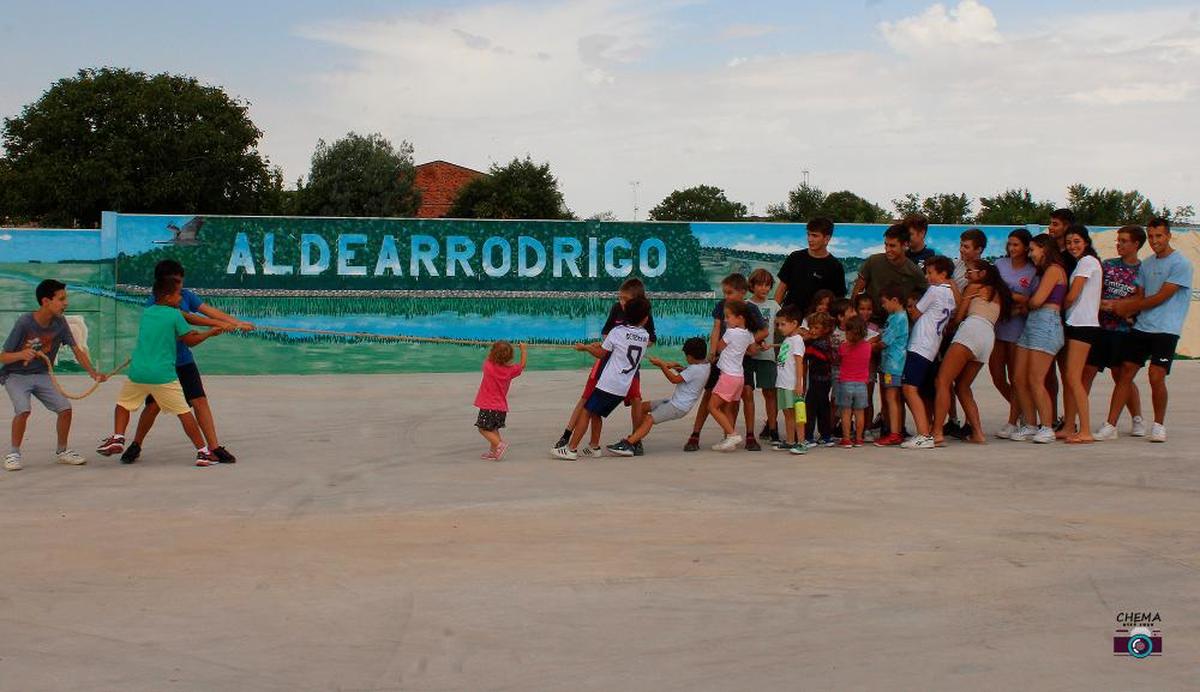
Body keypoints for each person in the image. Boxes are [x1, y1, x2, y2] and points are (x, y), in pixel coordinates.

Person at [120, 260, 252, 465]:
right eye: (177, 282)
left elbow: (208, 310)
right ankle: (136, 444)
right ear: (164, 285)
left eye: (181, 281)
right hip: (162, 365)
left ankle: (214, 447)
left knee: (199, 401)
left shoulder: (185, 295)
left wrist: (236, 323)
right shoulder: (155, 303)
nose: (181, 287)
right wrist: (221, 325)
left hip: (184, 360)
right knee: (153, 406)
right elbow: (188, 318)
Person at [97, 276, 225, 466]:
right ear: (166, 297)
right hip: (162, 375)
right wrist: (210, 332)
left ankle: (118, 437)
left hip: (138, 372)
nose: (180, 299)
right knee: (184, 412)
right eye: (177, 295)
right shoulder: (175, 315)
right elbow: (190, 340)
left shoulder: (148, 313)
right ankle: (203, 452)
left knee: (123, 404)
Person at [1104, 217, 1194, 443]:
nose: (1155, 241)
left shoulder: (1181, 264)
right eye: (1151, 236)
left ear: (1169, 236)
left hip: (1166, 329)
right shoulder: (1147, 264)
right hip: (1142, 327)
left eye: (1159, 236)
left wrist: (1127, 306)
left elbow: (1161, 297)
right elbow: (1141, 296)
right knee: (1125, 372)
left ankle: (1158, 425)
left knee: (1156, 376)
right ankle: (1110, 425)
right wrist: (1117, 306)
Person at [1, 279, 107, 471]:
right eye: (61, 299)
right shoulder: (25, 322)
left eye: (65, 298)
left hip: (41, 374)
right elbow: (3, 356)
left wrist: (93, 372)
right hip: (15, 375)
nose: (66, 303)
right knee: (23, 410)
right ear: (45, 301)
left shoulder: (60, 322)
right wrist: (21, 354)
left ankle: (62, 451)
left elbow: (77, 349)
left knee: (65, 409)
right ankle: (14, 454)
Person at [555, 277, 657, 455]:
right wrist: (610, 344)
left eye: (625, 299)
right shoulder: (620, 312)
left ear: (637, 301)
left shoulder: (640, 315)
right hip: (612, 366)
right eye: (620, 298)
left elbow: (650, 340)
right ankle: (573, 437)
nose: (621, 302)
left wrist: (595, 347)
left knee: (633, 400)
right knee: (589, 401)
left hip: (620, 371)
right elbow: (606, 333)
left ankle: (634, 440)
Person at [685, 274, 768, 452]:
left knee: (745, 394)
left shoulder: (750, 308)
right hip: (722, 358)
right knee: (709, 393)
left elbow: (764, 331)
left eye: (729, 292)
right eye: (724, 292)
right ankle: (695, 434)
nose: (726, 296)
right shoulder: (720, 306)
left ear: (743, 292)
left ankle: (748, 435)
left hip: (741, 360)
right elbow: (716, 330)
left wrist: (745, 345)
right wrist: (713, 352)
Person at [932, 260, 1010, 445]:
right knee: (963, 386)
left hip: (971, 330)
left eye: (969, 272)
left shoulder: (974, 287)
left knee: (942, 381)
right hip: (987, 337)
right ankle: (978, 433)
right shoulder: (999, 292)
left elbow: (959, 316)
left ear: (982, 273)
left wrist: (954, 290)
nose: (966, 275)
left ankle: (936, 432)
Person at [1009, 235, 1068, 444]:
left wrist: (1019, 299)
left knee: (1036, 379)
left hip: (1046, 325)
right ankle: (1031, 424)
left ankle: (1047, 426)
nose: (1031, 254)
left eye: (1033, 249)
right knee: (1018, 378)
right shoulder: (1043, 272)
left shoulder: (1054, 270)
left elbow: (1037, 300)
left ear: (1044, 249)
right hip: (1033, 324)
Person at [607, 337, 710, 457]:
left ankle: (629, 444)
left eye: (686, 356)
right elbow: (691, 375)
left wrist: (662, 365)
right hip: (675, 403)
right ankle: (636, 439)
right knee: (642, 407)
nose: (686, 358)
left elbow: (674, 380)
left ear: (691, 356)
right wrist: (678, 367)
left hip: (677, 407)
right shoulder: (705, 365)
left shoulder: (694, 369)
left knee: (649, 419)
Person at [1091, 226, 1147, 441]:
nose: (1119, 244)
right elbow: (1097, 293)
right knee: (1111, 373)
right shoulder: (1109, 266)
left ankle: (1137, 418)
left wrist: (1123, 307)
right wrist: (1109, 305)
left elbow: (1140, 301)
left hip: (1129, 331)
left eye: (1124, 241)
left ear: (1136, 244)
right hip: (1104, 328)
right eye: (1118, 240)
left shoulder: (1143, 271)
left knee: (1124, 375)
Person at [900, 256, 957, 450]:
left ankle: (924, 434)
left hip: (921, 344)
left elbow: (916, 313)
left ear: (943, 274)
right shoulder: (951, 294)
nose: (928, 276)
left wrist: (907, 307)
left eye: (931, 272)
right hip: (933, 345)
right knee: (917, 389)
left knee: (909, 388)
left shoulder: (935, 290)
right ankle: (928, 431)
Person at [990, 229, 1037, 438]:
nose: (1012, 248)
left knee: (1017, 377)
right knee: (998, 376)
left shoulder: (1032, 270)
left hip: (1019, 326)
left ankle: (1013, 420)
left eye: (1016, 245)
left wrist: (1015, 300)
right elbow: (991, 290)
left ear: (1026, 247)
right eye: (1009, 244)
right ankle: (1024, 412)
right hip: (998, 325)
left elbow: (1031, 301)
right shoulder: (1000, 264)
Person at [1059, 225, 1103, 443]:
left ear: (1085, 242)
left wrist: (1057, 308)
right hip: (1077, 323)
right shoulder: (1082, 264)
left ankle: (1085, 429)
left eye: (1076, 241)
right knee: (1071, 377)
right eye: (1068, 243)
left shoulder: (1087, 262)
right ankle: (1069, 426)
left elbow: (1073, 294)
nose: (1072, 246)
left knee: (1073, 378)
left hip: (1083, 325)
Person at [708, 300, 758, 452]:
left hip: (728, 377)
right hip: (739, 378)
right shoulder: (749, 334)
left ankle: (732, 434)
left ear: (740, 318)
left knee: (713, 407)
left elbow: (719, 347)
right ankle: (729, 441)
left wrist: (715, 351)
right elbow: (753, 351)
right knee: (729, 408)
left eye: (728, 317)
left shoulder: (730, 332)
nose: (725, 320)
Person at [853, 224, 928, 324]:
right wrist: (853, 315)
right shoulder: (873, 261)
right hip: (870, 321)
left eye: (892, 246)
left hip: (897, 324)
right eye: (886, 245)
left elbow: (925, 297)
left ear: (905, 245)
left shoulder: (915, 272)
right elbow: (858, 290)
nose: (887, 249)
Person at [775, 217, 846, 312]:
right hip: (789, 318)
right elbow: (782, 288)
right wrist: (774, 313)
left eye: (815, 236)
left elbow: (837, 299)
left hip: (816, 322)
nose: (810, 239)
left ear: (827, 239)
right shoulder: (795, 257)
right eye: (808, 235)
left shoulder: (835, 266)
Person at [474, 340, 527, 461]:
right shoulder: (510, 370)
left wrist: (493, 349)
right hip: (500, 408)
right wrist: (523, 349)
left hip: (488, 407)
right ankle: (494, 452)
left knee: (482, 429)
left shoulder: (488, 366)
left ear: (492, 354)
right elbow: (522, 365)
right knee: (493, 429)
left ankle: (499, 445)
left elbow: (490, 357)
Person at [747, 268, 782, 444]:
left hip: (767, 355)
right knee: (746, 393)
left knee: (770, 392)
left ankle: (773, 428)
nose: (764, 288)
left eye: (768, 285)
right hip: (747, 355)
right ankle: (749, 432)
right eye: (760, 284)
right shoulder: (746, 305)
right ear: (751, 286)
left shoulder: (774, 306)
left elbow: (782, 328)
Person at [873, 285, 909, 447]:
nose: (883, 306)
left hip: (893, 365)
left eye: (884, 302)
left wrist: (865, 347)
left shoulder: (898, 318)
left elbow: (885, 342)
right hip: (892, 363)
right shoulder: (896, 317)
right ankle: (896, 430)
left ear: (895, 300)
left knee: (891, 397)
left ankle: (895, 433)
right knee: (893, 398)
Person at [772, 306, 807, 454]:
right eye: (778, 324)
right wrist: (771, 345)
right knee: (787, 413)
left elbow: (799, 363)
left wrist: (799, 384)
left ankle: (801, 442)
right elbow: (786, 347)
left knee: (797, 413)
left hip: (791, 384)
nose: (779, 327)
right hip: (783, 383)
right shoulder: (789, 339)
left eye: (782, 324)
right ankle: (790, 440)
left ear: (794, 323)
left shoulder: (798, 340)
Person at [837, 316, 872, 448]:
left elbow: (839, 359)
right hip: (862, 384)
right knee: (859, 412)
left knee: (846, 412)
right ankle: (859, 438)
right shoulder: (868, 346)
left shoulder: (844, 347)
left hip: (846, 382)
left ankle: (846, 438)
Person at [802, 312, 836, 447]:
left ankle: (809, 436)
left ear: (826, 329)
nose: (812, 331)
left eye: (816, 328)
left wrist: (804, 340)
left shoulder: (819, 344)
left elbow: (807, 352)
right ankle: (825, 435)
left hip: (819, 381)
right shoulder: (823, 342)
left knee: (811, 407)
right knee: (822, 407)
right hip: (822, 380)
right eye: (811, 327)